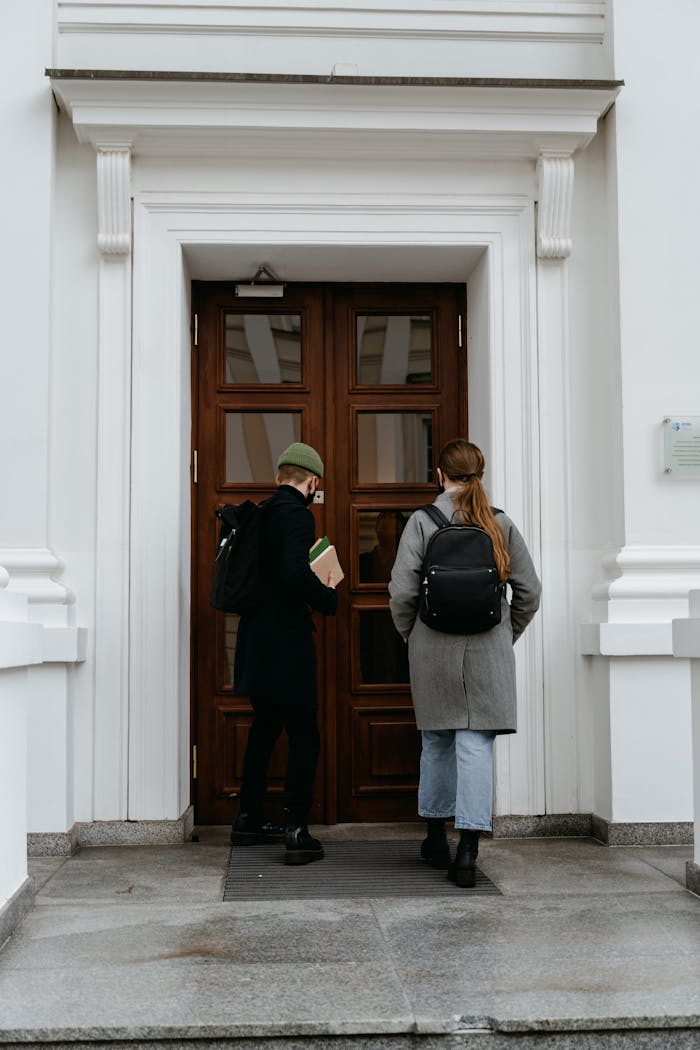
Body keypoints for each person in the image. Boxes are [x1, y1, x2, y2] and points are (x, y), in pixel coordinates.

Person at [388, 439, 541, 887]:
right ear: (481, 475)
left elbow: (401, 592)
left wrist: (414, 636)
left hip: (432, 647)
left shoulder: (422, 521)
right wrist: (504, 635)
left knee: (436, 741)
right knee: (475, 746)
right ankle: (468, 852)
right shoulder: (499, 523)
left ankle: (436, 840)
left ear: (439, 475)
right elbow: (529, 592)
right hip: (487, 649)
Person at [231, 442, 338, 865]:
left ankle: (247, 818)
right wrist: (326, 597)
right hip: (286, 643)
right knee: (304, 734)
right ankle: (296, 830)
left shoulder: (262, 512)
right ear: (312, 482)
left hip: (256, 638)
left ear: (279, 477)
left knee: (264, 728)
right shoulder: (297, 515)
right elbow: (293, 571)